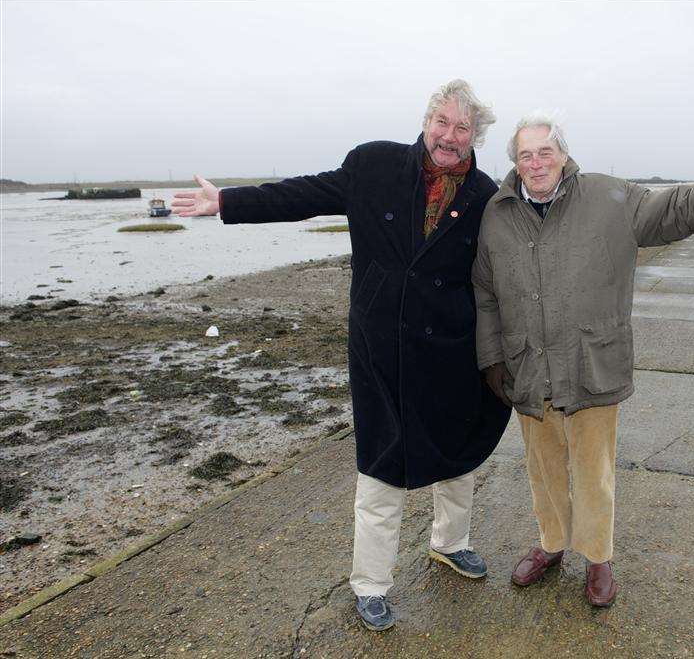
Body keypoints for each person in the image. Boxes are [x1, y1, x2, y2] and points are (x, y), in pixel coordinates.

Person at [172, 79, 511, 631]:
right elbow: (304, 194)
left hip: (451, 348)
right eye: (442, 123)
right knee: (381, 464)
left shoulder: (485, 195)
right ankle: (371, 585)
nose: (449, 137)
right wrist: (227, 202)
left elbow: (505, 269)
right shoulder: (373, 165)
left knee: (458, 450)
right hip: (380, 348)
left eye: (462, 128)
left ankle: (451, 543)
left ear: (478, 135)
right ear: (426, 120)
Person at [471, 112, 694, 607]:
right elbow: (485, 290)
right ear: (514, 162)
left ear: (563, 155)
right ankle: (552, 544)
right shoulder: (498, 212)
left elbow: (674, 210)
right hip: (528, 368)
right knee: (543, 468)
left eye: (545, 153)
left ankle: (597, 558)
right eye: (526, 155)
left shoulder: (606, 197)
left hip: (590, 363)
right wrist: (492, 356)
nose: (536, 164)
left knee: (594, 469)